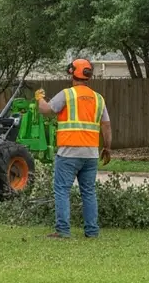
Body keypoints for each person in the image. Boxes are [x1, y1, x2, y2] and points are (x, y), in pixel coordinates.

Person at [36, 58, 113, 239]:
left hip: (69, 152)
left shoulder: (67, 95)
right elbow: (106, 126)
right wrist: (107, 148)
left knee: (62, 190)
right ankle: (92, 231)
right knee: (88, 191)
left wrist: (39, 98)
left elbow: (46, 110)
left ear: (72, 73)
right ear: (89, 75)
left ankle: (63, 230)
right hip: (91, 153)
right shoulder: (98, 98)